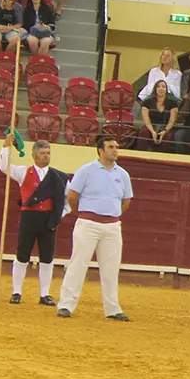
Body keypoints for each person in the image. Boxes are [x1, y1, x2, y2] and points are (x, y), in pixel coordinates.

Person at [56, 136, 133, 321]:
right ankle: (66, 304)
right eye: (111, 147)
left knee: (111, 269)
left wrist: (111, 215)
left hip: (112, 226)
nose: (115, 150)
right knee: (78, 264)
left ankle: (112, 308)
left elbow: (126, 202)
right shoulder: (86, 170)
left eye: (116, 147)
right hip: (88, 223)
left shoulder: (122, 174)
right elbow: (72, 197)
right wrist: (82, 214)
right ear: (100, 150)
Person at [0, 136, 69, 306]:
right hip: (29, 218)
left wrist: (59, 216)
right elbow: (4, 167)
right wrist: (6, 147)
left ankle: (45, 294)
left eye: (48, 152)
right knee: (22, 255)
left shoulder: (59, 177)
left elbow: (69, 200)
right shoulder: (24, 172)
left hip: (48, 219)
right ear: (34, 155)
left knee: (47, 257)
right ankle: (16, 292)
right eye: (43, 153)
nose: (46, 156)